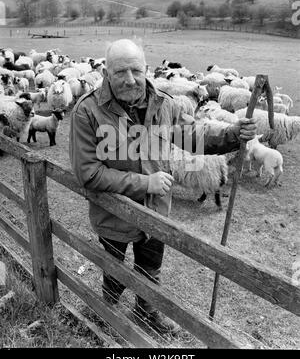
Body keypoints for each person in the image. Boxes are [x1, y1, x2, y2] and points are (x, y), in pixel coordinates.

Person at [69, 39, 256, 335]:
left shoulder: (163, 104)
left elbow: (192, 135)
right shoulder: (88, 111)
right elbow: (87, 173)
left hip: (156, 213)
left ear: (145, 68)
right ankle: (105, 308)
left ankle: (146, 312)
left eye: (135, 70)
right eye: (120, 72)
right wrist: (146, 183)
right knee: (114, 270)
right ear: (106, 73)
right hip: (113, 215)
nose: (130, 79)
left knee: (150, 269)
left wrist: (233, 134)